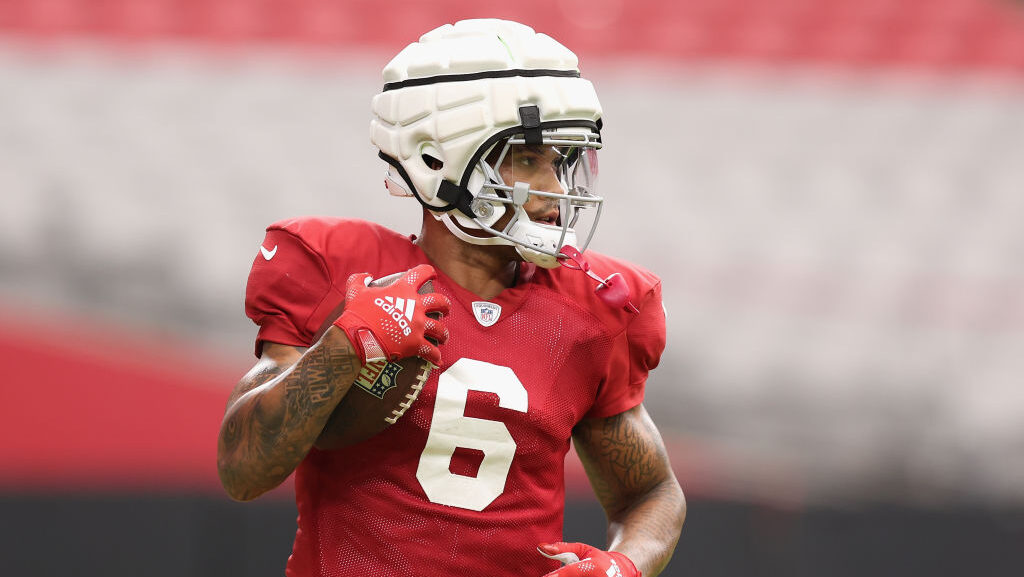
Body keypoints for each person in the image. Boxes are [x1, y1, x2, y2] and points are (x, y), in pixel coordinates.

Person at [217, 18, 685, 577]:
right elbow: (242, 470)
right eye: (528, 159)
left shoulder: (592, 310)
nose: (557, 191)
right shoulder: (339, 273)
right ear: (438, 161)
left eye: (560, 162)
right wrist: (343, 348)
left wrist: (623, 567)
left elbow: (652, 493)